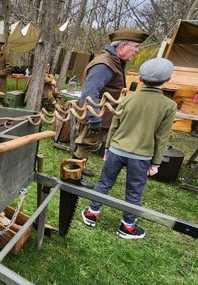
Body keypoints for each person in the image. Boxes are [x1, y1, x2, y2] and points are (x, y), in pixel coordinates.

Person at [81, 57, 177, 240]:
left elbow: (114, 126)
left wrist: (108, 148)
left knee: (104, 183)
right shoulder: (169, 106)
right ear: (167, 80)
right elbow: (161, 137)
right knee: (134, 191)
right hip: (141, 156)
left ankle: (92, 213)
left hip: (116, 150)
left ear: (140, 79)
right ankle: (128, 227)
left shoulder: (126, 100)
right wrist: (156, 163)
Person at [72, 29, 149, 166]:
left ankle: (79, 169)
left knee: (89, 143)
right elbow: (90, 92)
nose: (137, 50)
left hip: (102, 114)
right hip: (97, 114)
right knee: (86, 144)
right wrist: (94, 118)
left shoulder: (114, 61)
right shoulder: (104, 64)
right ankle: (73, 178)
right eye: (136, 47)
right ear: (123, 46)